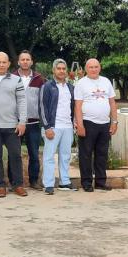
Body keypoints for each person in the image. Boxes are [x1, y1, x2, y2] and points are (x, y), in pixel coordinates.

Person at [0, 52, 28, 197]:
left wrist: (22, 122)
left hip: (12, 125)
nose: (1, 64)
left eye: (4, 62)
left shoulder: (16, 79)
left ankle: (18, 185)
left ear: (8, 64)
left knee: (15, 156)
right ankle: (0, 186)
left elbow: (22, 101)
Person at [75, 58, 118, 192]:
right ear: (86, 69)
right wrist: (80, 125)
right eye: (91, 67)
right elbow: (78, 106)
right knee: (86, 154)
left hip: (104, 124)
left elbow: (112, 103)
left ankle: (100, 181)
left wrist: (114, 122)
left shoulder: (106, 81)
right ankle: (87, 182)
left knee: (102, 154)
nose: (93, 69)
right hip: (88, 123)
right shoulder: (81, 84)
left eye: (96, 67)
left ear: (100, 68)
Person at [40, 59, 76, 194]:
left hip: (67, 126)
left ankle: (64, 182)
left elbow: (73, 107)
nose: (61, 71)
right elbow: (42, 108)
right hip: (53, 127)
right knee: (49, 156)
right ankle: (48, 184)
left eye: (63, 69)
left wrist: (74, 124)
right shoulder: (48, 86)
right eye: (58, 68)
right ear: (53, 70)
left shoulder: (70, 87)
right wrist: (47, 127)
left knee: (65, 155)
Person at [11, 50, 45, 190]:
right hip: (15, 122)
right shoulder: (11, 77)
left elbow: (42, 101)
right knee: (14, 154)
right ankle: (14, 182)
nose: (25, 61)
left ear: (31, 62)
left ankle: (33, 181)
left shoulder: (39, 78)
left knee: (34, 154)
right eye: (22, 59)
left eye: (28, 59)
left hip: (33, 122)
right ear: (18, 62)